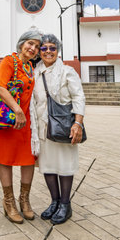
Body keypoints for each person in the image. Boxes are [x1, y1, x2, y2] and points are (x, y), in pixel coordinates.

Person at [30, 34, 85, 224]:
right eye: (44, 48)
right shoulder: (34, 72)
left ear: (58, 51)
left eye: (52, 48)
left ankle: (65, 204)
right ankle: (54, 201)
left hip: (63, 126)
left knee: (64, 165)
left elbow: (78, 97)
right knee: (48, 166)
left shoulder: (67, 71)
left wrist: (78, 123)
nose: (47, 52)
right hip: (42, 127)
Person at [0, 30, 42, 223]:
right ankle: (9, 202)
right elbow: (0, 86)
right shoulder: (9, 61)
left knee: (28, 159)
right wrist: (17, 110)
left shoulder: (29, 67)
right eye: (30, 43)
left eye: (37, 46)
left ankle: (24, 200)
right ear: (21, 44)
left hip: (27, 122)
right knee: (5, 158)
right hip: (8, 120)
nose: (33, 48)